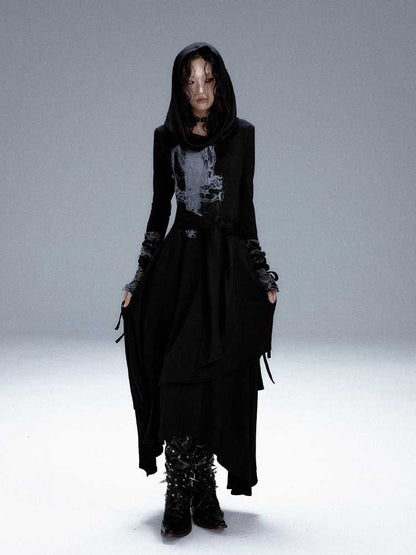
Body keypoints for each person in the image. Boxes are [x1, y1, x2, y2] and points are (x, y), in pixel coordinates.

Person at [114, 42, 279, 538]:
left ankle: (204, 487)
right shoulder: (167, 137)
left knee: (217, 378)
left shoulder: (242, 135)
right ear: (179, 87)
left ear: (219, 81)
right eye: (190, 80)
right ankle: (177, 490)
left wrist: (262, 273)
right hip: (180, 268)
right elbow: (158, 209)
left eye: (207, 78)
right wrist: (139, 277)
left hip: (225, 271)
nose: (200, 89)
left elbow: (245, 209)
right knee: (176, 374)